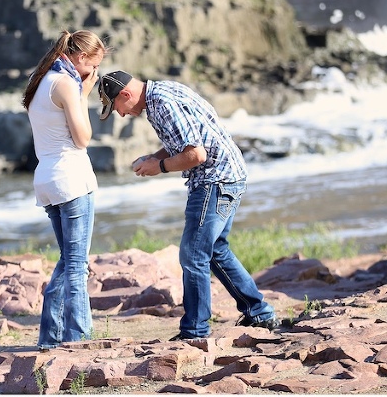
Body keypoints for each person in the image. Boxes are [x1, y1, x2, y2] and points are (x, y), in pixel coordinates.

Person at [98, 70, 279, 340]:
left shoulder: (162, 105)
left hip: (214, 180)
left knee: (193, 255)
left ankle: (195, 331)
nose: (120, 114)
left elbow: (195, 154)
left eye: (116, 107)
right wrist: (154, 155)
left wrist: (158, 166)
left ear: (126, 94)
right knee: (216, 250)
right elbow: (188, 141)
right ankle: (260, 313)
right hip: (230, 174)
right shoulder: (164, 91)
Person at [22, 29, 110, 350]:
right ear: (81, 57)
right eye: (92, 66)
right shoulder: (66, 84)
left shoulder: (41, 79)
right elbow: (83, 138)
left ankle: (50, 338)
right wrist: (83, 95)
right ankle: (79, 340)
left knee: (67, 260)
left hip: (46, 179)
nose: (93, 74)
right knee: (76, 266)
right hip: (71, 179)